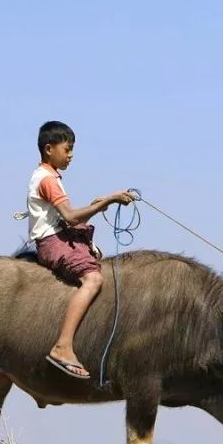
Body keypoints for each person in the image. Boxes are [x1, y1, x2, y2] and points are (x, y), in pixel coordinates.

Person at [27, 120, 135, 379]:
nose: (71, 155)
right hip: (52, 243)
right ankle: (63, 345)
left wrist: (98, 204)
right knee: (93, 278)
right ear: (49, 148)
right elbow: (71, 217)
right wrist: (106, 201)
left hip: (58, 233)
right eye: (68, 149)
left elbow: (67, 217)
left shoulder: (51, 177)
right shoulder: (47, 180)